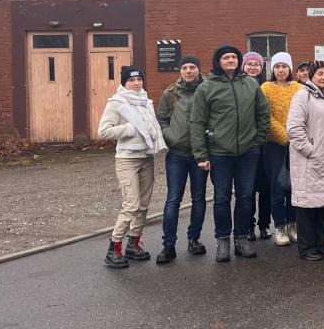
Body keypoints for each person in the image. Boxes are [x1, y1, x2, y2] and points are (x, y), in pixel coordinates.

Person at [190, 45, 270, 262]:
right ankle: (222, 241)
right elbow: (197, 122)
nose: (231, 60)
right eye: (226, 57)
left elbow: (263, 113)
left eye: (234, 57)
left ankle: (241, 239)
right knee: (222, 198)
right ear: (218, 61)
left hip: (247, 152)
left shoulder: (250, 84)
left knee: (245, 197)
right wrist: (201, 154)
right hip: (219, 153)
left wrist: (258, 140)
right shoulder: (206, 88)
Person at [100, 66, 167, 268]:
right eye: (131, 80)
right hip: (127, 159)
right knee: (131, 205)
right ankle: (114, 248)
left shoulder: (146, 102)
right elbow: (103, 131)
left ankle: (133, 243)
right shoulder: (116, 103)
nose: (136, 83)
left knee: (144, 204)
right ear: (124, 83)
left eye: (139, 79)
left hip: (147, 157)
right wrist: (128, 129)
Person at [286, 61, 324, 261]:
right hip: (310, 162)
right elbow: (294, 128)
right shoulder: (303, 95)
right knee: (307, 208)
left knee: (322, 206)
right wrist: (311, 151)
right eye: (320, 74)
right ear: (311, 75)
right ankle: (306, 247)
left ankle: (320, 244)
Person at [155, 55, 207, 264]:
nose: (188, 71)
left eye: (192, 67)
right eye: (184, 67)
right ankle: (168, 245)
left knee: (199, 198)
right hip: (176, 154)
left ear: (198, 69)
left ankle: (194, 239)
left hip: (199, 155)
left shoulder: (207, 90)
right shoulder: (170, 93)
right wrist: (170, 136)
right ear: (180, 71)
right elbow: (161, 118)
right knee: (173, 199)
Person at [260, 52, 303, 247]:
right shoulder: (266, 88)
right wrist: (284, 136)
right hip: (274, 145)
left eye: (284, 66)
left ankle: (293, 224)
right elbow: (265, 116)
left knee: (294, 186)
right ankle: (279, 225)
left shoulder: (299, 88)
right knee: (277, 186)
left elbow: (304, 112)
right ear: (272, 69)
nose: (280, 70)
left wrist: (296, 136)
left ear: (290, 69)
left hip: (297, 145)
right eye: (277, 66)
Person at [242, 51, 271, 241]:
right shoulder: (239, 86)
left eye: (257, 64)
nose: (253, 67)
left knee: (266, 187)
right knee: (248, 188)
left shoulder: (267, 87)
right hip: (246, 144)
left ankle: (264, 224)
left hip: (265, 144)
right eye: (249, 63)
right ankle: (249, 226)